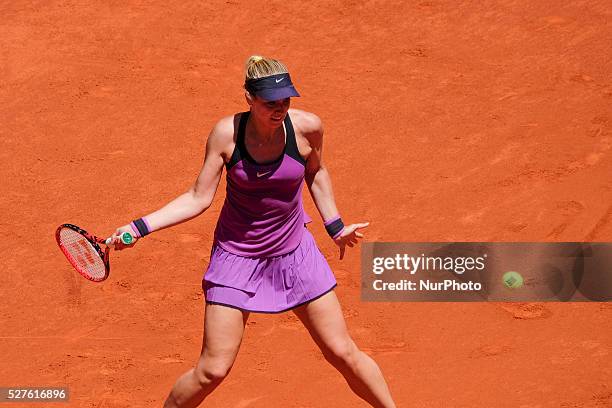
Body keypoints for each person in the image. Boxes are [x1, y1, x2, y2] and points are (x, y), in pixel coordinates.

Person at [109, 55, 396, 408]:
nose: (280, 109)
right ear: (249, 97)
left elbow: (316, 171)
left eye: (285, 101)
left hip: (295, 255)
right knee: (212, 370)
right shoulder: (227, 135)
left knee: (342, 352)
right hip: (237, 260)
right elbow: (198, 197)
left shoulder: (307, 128)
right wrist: (139, 227)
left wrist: (335, 226)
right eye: (270, 103)